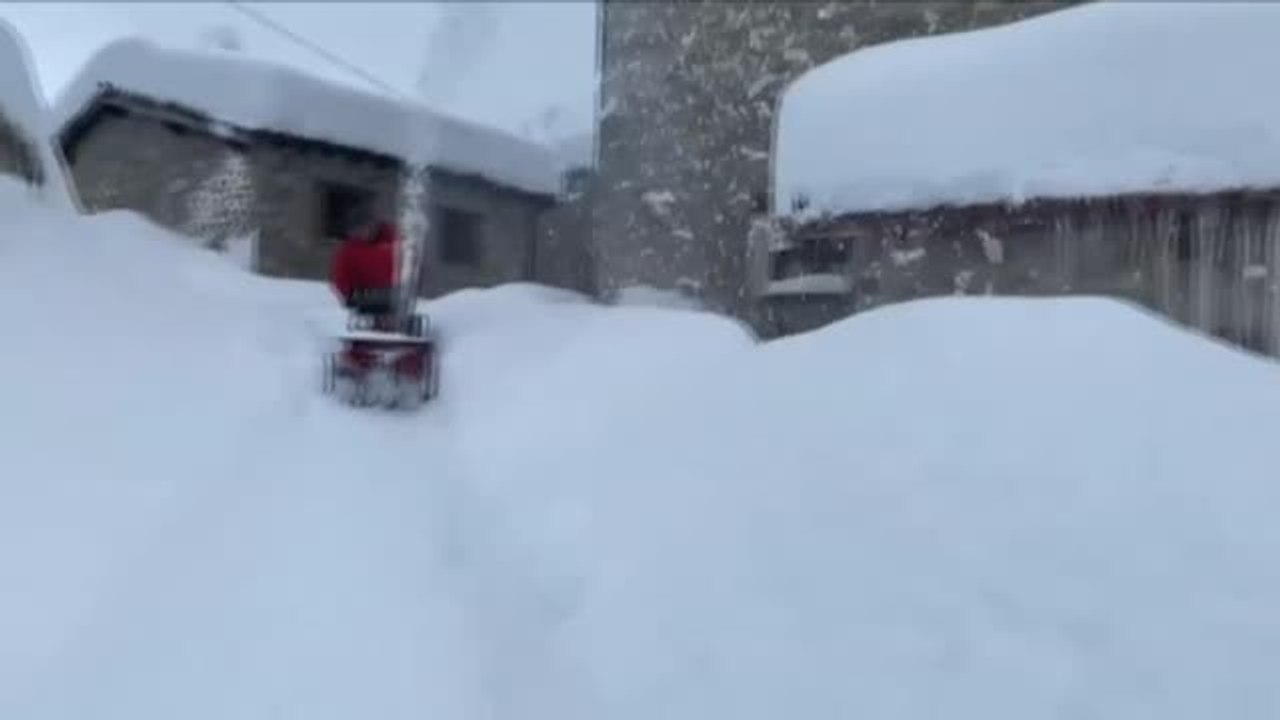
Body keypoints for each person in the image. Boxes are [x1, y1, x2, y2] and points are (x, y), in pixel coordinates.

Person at [330, 217, 402, 321]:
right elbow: (340, 277)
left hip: (392, 294)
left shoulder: (393, 243)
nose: (366, 232)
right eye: (362, 229)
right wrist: (349, 294)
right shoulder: (349, 250)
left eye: (370, 227)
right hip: (363, 296)